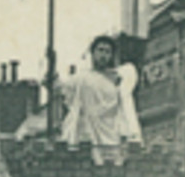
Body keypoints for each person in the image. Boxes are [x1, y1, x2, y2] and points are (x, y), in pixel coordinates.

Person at [60, 34, 141, 163]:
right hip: (89, 131)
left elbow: (130, 76)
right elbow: (64, 89)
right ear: (93, 53)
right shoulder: (82, 78)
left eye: (107, 51)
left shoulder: (118, 78)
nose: (103, 55)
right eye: (100, 50)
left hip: (111, 133)